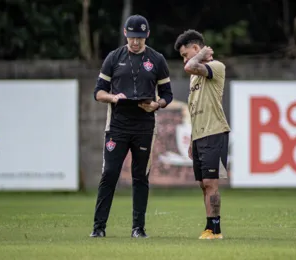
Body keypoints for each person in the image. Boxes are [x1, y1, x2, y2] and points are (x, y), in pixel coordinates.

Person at [90, 14, 173, 238]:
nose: (136, 42)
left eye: (140, 38)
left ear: (147, 36)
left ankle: (138, 228)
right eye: (132, 37)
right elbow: (98, 92)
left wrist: (157, 104)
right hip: (117, 126)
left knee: (140, 176)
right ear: (125, 34)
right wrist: (113, 98)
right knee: (109, 174)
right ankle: (98, 228)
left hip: (145, 126)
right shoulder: (113, 58)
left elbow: (167, 94)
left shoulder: (157, 59)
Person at [174, 29, 231, 239]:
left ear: (196, 48)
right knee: (202, 184)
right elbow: (194, 108)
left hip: (214, 132)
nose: (184, 60)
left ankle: (216, 230)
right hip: (199, 135)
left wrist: (199, 55)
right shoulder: (194, 78)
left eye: (185, 53)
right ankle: (209, 226)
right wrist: (191, 138)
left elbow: (190, 66)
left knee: (210, 182)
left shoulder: (216, 67)